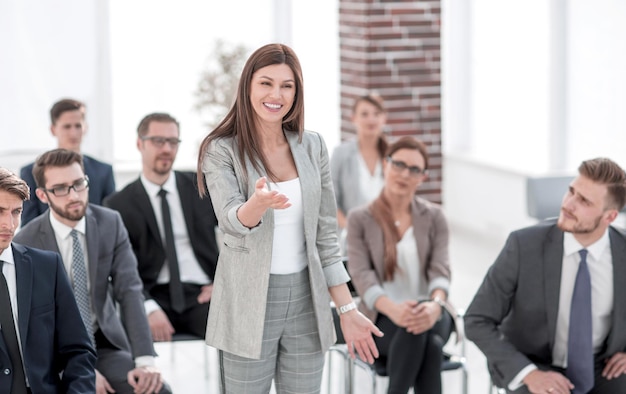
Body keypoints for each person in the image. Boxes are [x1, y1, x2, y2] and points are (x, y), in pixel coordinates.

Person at [197, 43, 383, 393]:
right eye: (266, 83)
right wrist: (258, 203)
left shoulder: (312, 146)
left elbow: (326, 237)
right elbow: (231, 222)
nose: (276, 94)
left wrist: (347, 309)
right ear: (248, 86)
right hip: (247, 303)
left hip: (306, 300)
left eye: (287, 86)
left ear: (297, 92)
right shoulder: (221, 149)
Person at [465, 157, 626, 394]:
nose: (568, 204)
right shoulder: (523, 245)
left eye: (584, 201)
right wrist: (528, 373)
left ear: (609, 217)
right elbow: (476, 319)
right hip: (535, 364)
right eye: (571, 191)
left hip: (603, 367)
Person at [14, 149, 169, 394]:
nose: (74, 195)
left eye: (78, 184)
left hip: (105, 343)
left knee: (156, 390)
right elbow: (32, 323)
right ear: (43, 195)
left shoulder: (111, 223)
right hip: (55, 354)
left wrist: (145, 361)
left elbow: (129, 291)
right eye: (61, 188)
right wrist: (79, 371)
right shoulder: (26, 241)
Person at [347, 136, 452, 394]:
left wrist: (434, 306)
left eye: (414, 169)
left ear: (423, 177)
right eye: (399, 164)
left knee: (418, 330)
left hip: (432, 311)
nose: (405, 174)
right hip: (382, 316)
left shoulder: (435, 217)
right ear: (386, 164)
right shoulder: (360, 218)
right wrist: (394, 310)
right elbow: (362, 277)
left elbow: (441, 271)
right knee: (430, 345)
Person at [105, 112, 219, 341]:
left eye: (173, 141)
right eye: (158, 141)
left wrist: (222, 282)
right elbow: (118, 267)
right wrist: (147, 306)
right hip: (152, 295)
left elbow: (239, 235)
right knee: (134, 344)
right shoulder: (118, 204)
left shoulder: (202, 187)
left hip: (203, 293)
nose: (166, 148)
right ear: (140, 144)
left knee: (237, 336)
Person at [0, 167, 96, 393]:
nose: (9, 224)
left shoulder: (47, 267)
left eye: (16, 212)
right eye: (0, 211)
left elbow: (79, 352)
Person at [20, 98, 116, 226]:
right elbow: (29, 226)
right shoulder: (30, 172)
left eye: (78, 126)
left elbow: (109, 222)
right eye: (67, 127)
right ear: (53, 129)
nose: (73, 133)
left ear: (85, 128)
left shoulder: (103, 171)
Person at [331, 94, 388, 255]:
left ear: (384, 118)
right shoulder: (341, 154)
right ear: (354, 118)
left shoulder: (393, 156)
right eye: (364, 114)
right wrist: (352, 228)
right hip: (350, 242)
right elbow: (329, 200)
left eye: (377, 114)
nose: (371, 119)